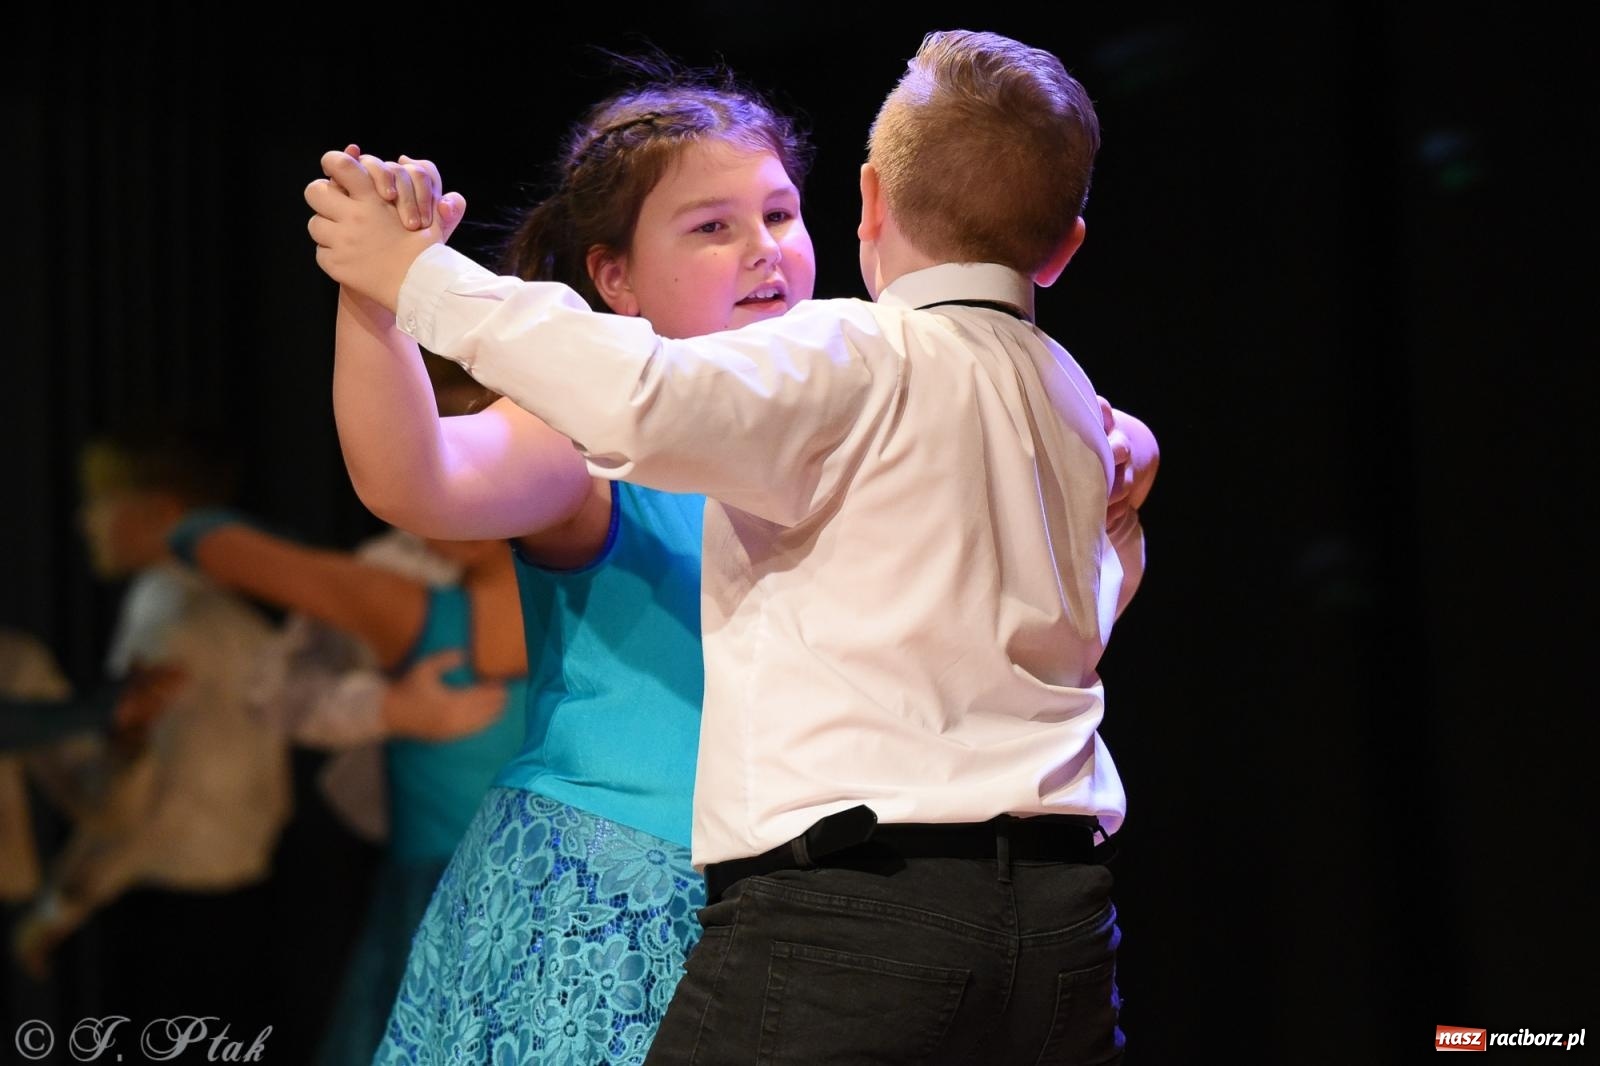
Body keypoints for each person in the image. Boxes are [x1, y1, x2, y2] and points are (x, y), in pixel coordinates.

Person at [309, 29, 1148, 1063]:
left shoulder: (870, 399)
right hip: (615, 904)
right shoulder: (587, 439)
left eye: (781, 214)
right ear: (615, 279)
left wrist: (1122, 471)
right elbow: (416, 478)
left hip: (829, 910)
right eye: (712, 226)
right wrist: (379, 296)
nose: (763, 249)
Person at [163, 507, 525, 1066]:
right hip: (539, 900)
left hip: (478, 903)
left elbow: (199, 540)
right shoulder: (613, 603)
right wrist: (386, 706)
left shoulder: (403, 600)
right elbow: (203, 545)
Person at [12, 431, 291, 1024]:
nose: (84, 520)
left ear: (160, 512)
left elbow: (148, 803)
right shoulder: (232, 617)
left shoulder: (171, 621)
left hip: (176, 910)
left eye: (100, 500)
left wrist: (61, 905)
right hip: (238, 898)